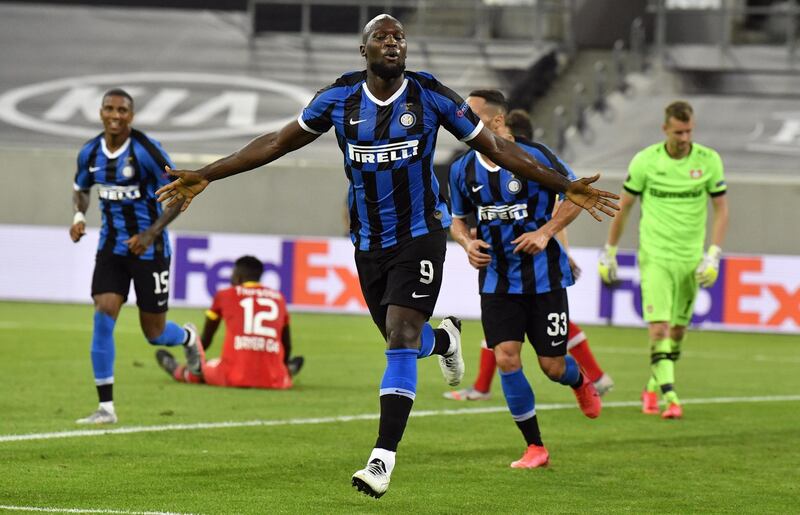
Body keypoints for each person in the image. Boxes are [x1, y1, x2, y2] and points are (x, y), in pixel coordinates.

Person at [154, 15, 619, 498]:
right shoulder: (338, 99)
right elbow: (275, 143)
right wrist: (208, 173)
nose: (392, 42)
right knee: (406, 340)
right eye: (382, 36)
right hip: (369, 242)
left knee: (399, 337)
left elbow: (497, 147)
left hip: (420, 234)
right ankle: (443, 343)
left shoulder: (431, 95)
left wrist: (565, 186)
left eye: (399, 37)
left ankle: (382, 459)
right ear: (364, 50)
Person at [449, 89, 603, 469]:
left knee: (552, 366)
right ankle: (536, 447)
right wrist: (467, 243)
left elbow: (576, 196)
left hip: (545, 278)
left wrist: (546, 231)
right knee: (506, 358)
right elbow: (457, 220)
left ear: (497, 121)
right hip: (497, 280)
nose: (461, 119)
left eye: (471, 113)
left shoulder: (535, 157)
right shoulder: (462, 169)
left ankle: (579, 379)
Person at [70, 88, 201, 425]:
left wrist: (150, 233)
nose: (115, 115)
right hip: (111, 248)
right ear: (100, 112)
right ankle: (106, 408)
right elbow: (81, 189)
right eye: (109, 109)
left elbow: (179, 193)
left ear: (131, 115)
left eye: (122, 110)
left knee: (154, 333)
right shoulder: (89, 153)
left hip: (150, 250)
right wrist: (79, 216)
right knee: (103, 313)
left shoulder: (145, 151)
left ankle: (187, 337)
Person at [598, 100, 729, 419]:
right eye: (679, 131)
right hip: (655, 255)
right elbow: (625, 207)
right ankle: (671, 398)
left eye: (689, 131)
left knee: (678, 333)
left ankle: (652, 386)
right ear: (665, 129)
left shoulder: (709, 161)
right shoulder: (646, 161)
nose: (685, 137)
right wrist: (610, 250)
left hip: (690, 259)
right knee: (659, 330)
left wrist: (713, 254)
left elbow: (721, 209)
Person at [155, 255, 304, 388]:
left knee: (202, 370)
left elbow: (205, 340)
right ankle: (287, 371)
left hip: (234, 376)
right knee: (277, 369)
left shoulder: (225, 295)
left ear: (238, 277)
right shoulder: (279, 298)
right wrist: (281, 368)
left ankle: (177, 370)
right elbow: (287, 345)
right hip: (274, 380)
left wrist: (193, 359)